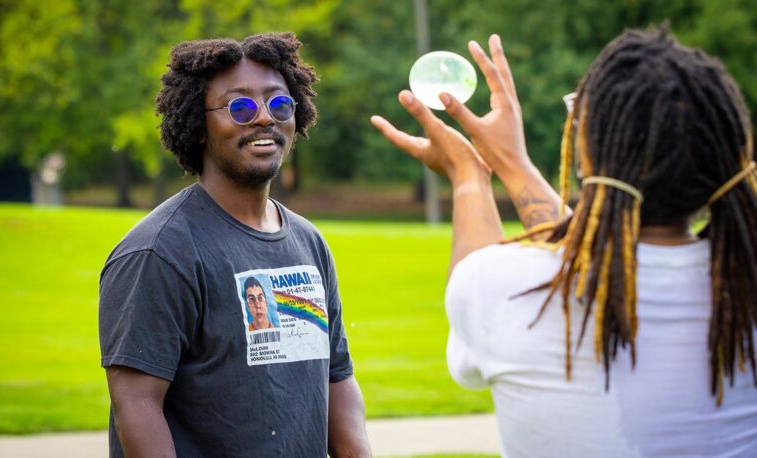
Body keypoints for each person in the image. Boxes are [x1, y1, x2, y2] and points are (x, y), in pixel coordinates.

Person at [372, 27, 757, 456]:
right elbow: (597, 249)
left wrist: (469, 176)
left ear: (588, 150)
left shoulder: (502, 288)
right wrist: (513, 164)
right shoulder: (744, 290)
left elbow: (575, 260)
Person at [99, 32, 371, 457]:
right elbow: (135, 406)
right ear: (199, 124)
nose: (264, 118)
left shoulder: (307, 242)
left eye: (279, 104)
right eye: (240, 107)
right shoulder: (159, 252)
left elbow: (337, 377)